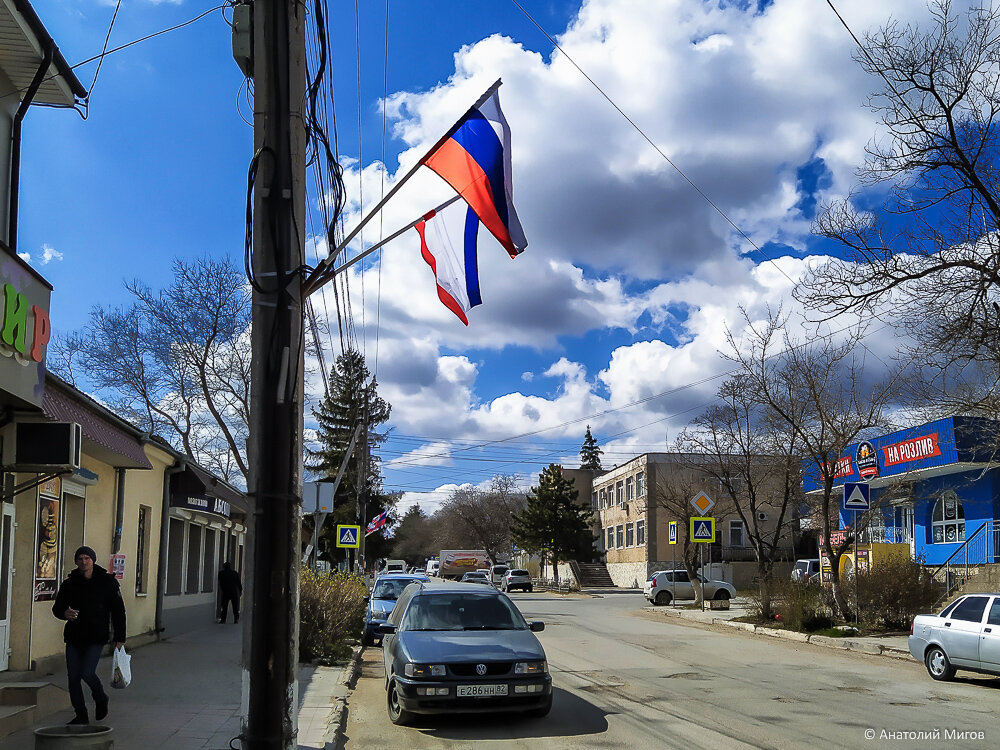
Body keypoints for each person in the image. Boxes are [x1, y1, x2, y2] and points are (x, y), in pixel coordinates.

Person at [52, 546, 126, 725]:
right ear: (76, 562)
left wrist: (120, 638)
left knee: (87, 672)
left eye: (87, 558)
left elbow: (118, 611)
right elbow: (57, 608)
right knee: (73, 677)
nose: (83, 562)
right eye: (80, 559)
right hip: (74, 636)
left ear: (93, 560)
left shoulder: (107, 582)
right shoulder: (69, 584)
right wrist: (64, 613)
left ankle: (100, 698)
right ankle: (80, 714)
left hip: (96, 636)